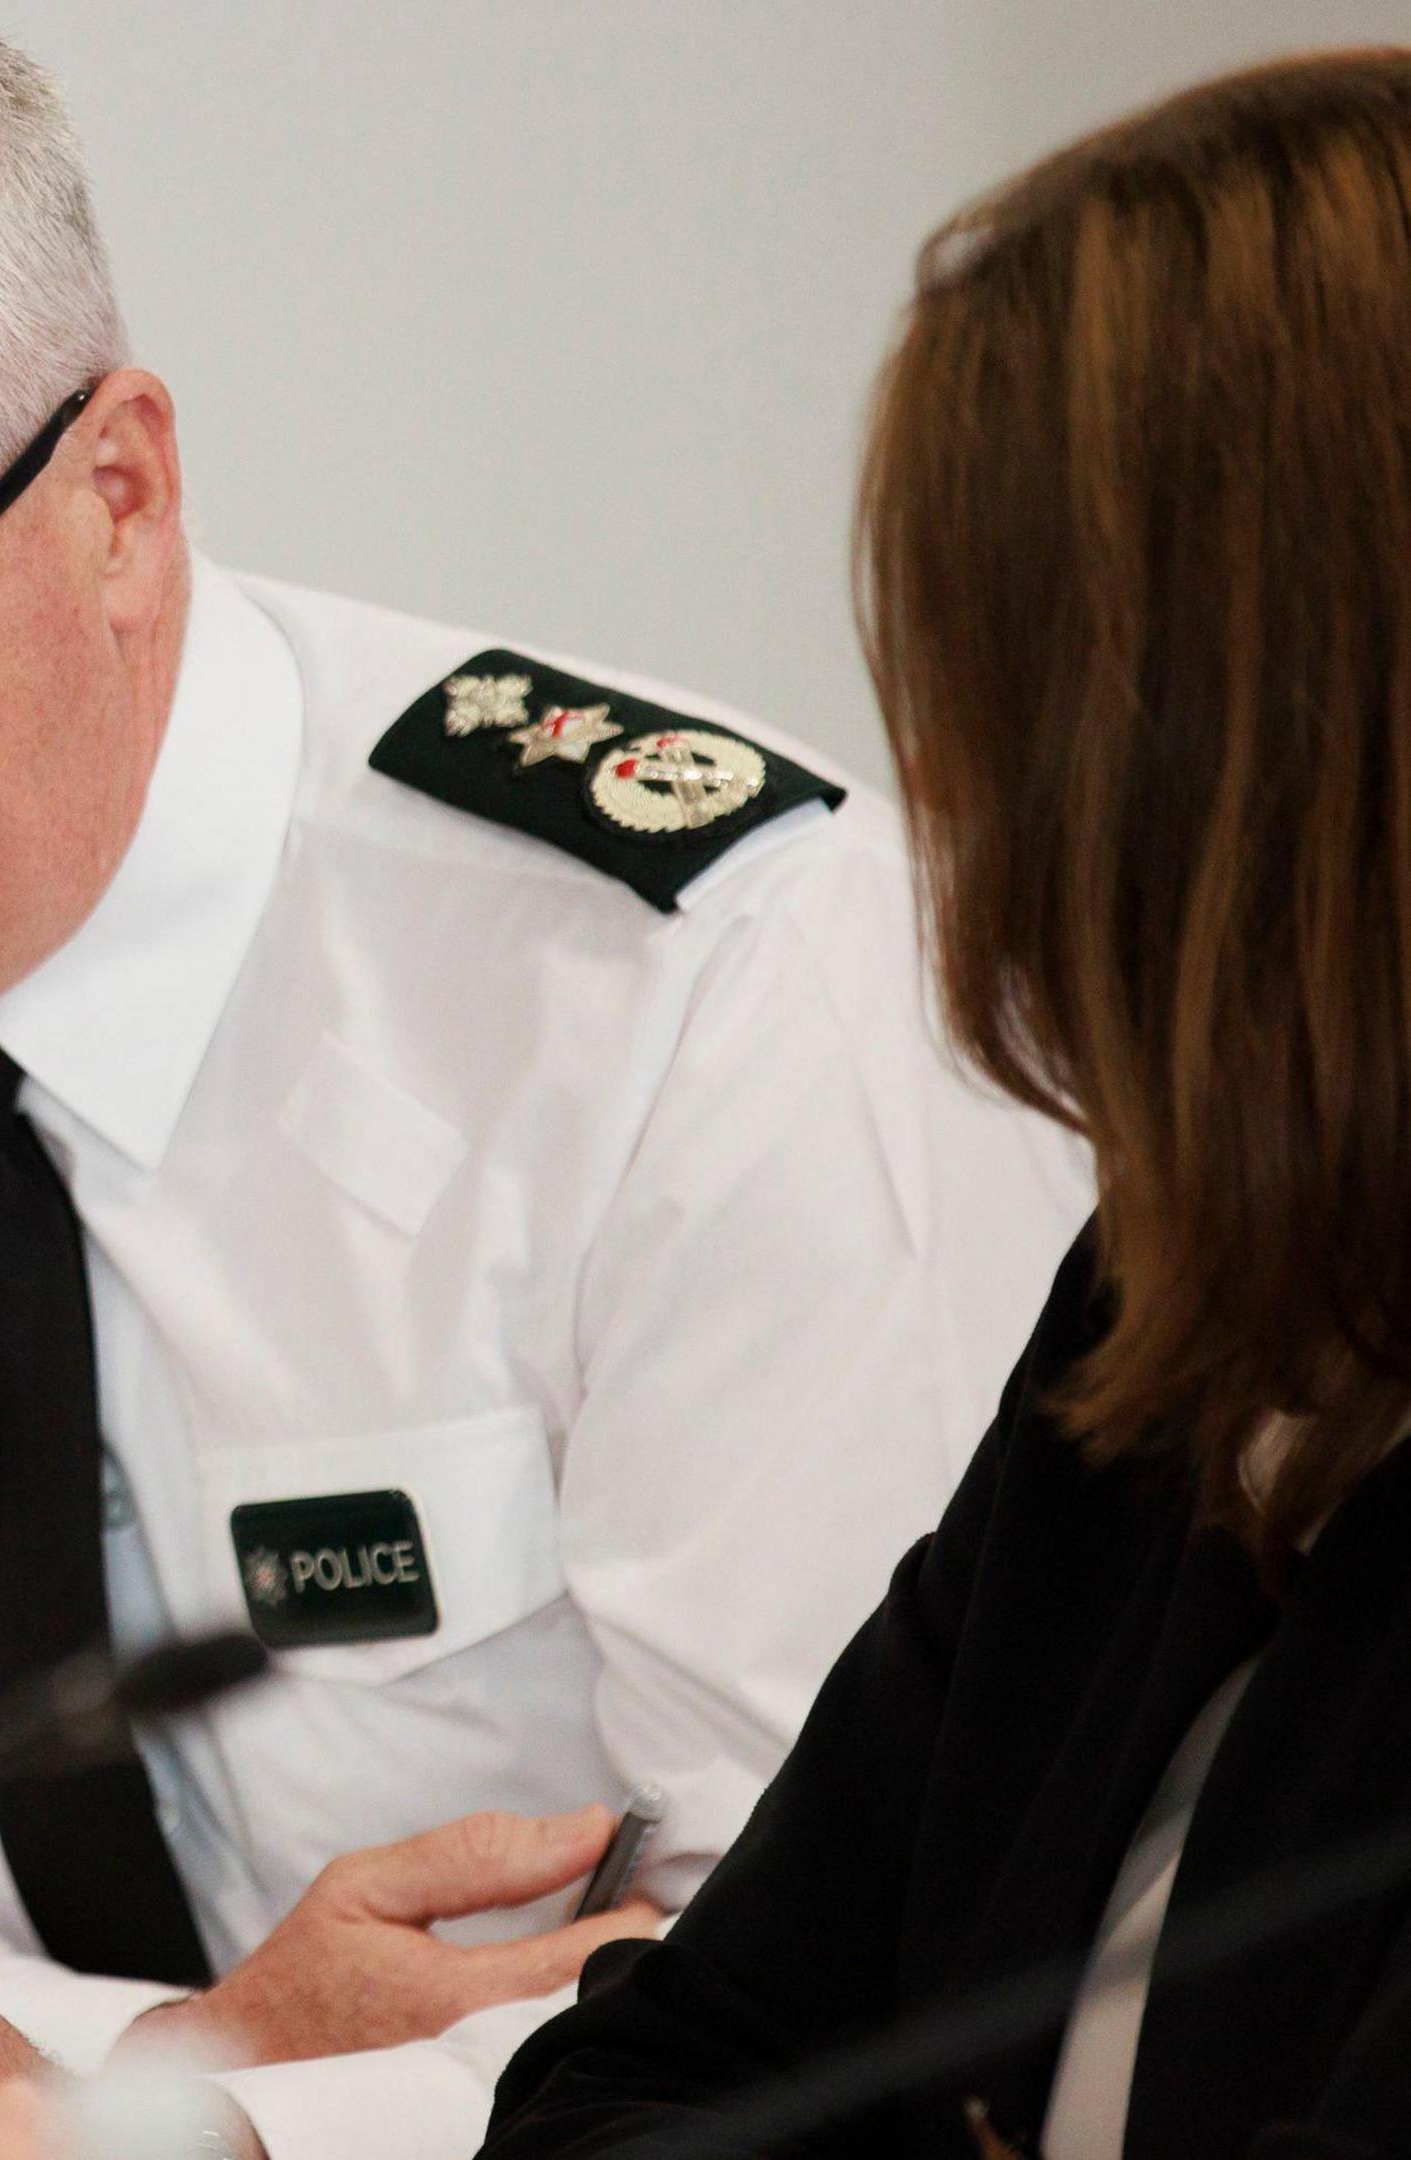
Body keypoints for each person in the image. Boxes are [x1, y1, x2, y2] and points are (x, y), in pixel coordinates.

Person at [0, 4, 1090, 2154]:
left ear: (114, 497)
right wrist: (149, 2080)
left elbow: (872, 1953)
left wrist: (196, 2131)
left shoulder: (680, 966)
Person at [480, 51, 1411, 2159]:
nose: (954, 838)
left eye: (988, 715)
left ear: (1260, 752)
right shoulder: (1180, 1317)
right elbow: (636, 2084)